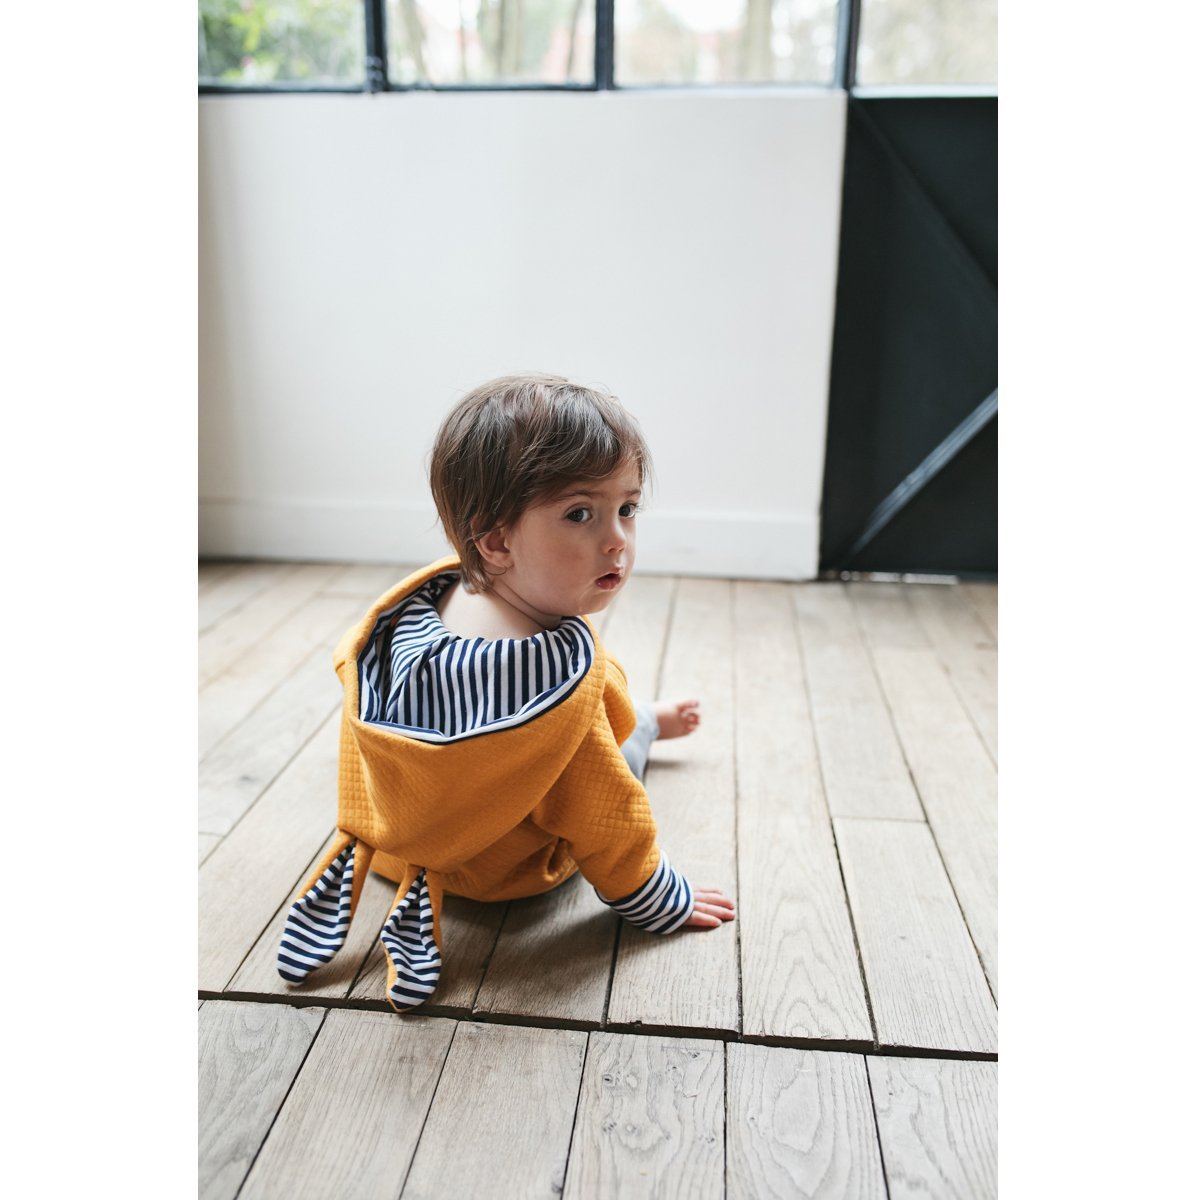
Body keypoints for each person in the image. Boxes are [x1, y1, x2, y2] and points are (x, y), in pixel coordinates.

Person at [277, 374, 735, 1012]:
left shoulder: (407, 623)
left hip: (397, 855)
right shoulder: (553, 694)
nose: (617, 540)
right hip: (503, 874)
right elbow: (608, 819)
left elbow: (365, 754)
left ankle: (645, 715)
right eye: (580, 514)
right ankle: (647, 723)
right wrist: (658, 899)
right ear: (495, 540)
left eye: (627, 509)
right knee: (610, 739)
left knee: (593, 720)